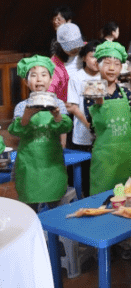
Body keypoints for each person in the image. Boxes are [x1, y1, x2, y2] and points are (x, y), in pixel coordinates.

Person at [9, 55, 72, 209]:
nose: (39, 79)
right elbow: (15, 131)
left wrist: (57, 115)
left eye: (44, 75)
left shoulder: (58, 104)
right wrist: (26, 116)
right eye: (33, 75)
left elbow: (66, 127)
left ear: (50, 80)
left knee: (56, 208)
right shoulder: (21, 106)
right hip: (29, 167)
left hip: (52, 165)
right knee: (29, 210)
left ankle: (55, 234)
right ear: (26, 81)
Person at [85, 41, 131, 195]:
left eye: (116, 64)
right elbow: (95, 124)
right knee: (103, 198)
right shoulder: (91, 92)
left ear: (121, 68)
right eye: (107, 63)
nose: (111, 68)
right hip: (104, 157)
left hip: (127, 155)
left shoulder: (127, 93)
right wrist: (99, 102)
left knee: (130, 194)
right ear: (98, 65)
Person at [66, 40, 101, 198]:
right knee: (85, 173)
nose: (97, 61)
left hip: (103, 134)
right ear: (84, 58)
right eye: (93, 56)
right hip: (83, 132)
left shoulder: (105, 76)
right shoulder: (76, 77)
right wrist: (89, 125)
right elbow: (72, 106)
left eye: (100, 57)